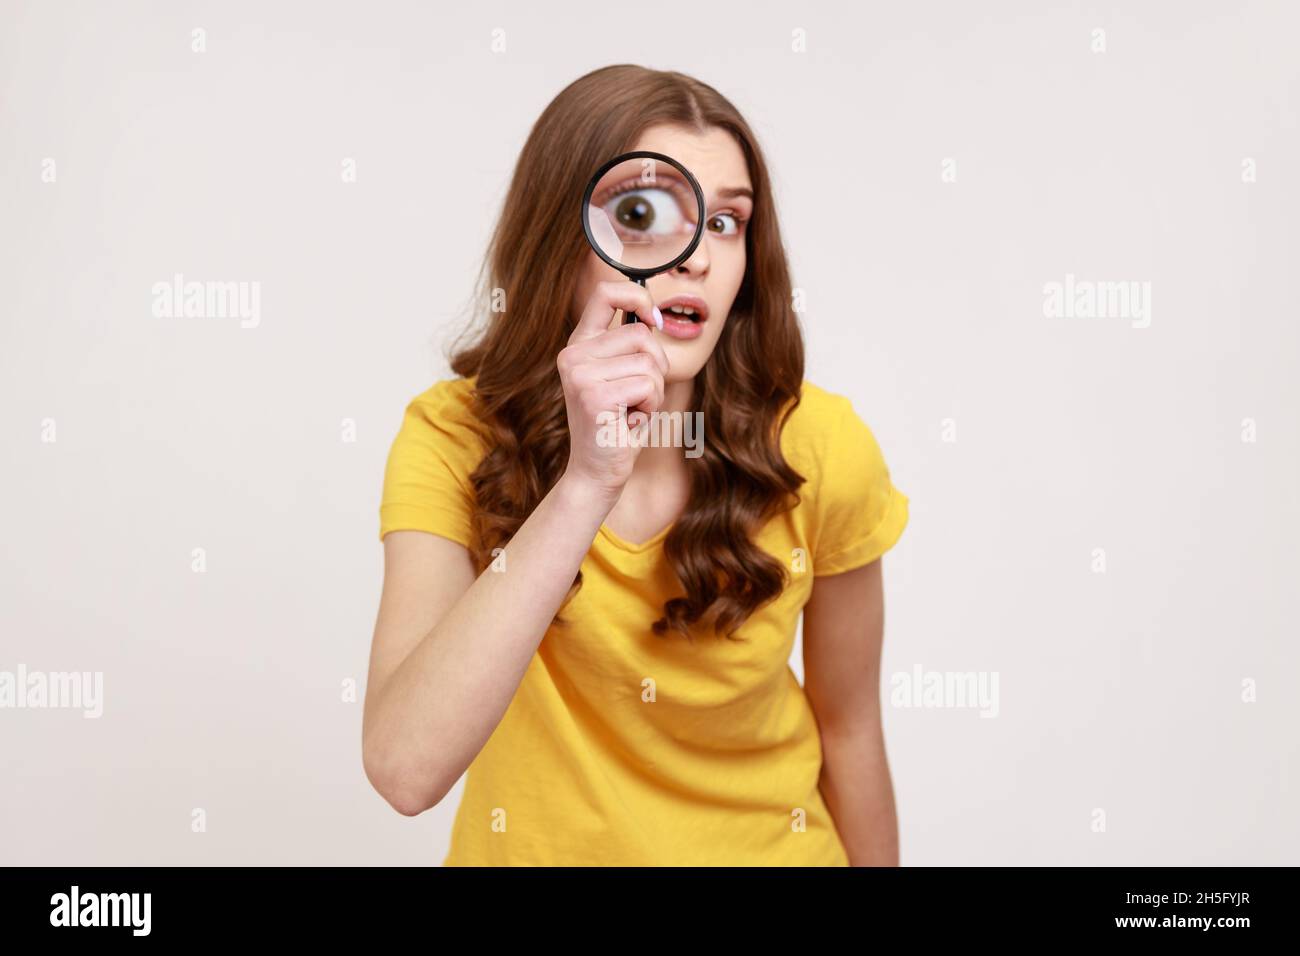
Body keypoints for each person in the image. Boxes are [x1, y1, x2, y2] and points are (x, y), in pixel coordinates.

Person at [361, 64, 910, 866]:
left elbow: (851, 726)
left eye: (727, 223)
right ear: (563, 239)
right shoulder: (453, 437)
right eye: (645, 213)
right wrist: (587, 481)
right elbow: (405, 768)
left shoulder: (819, 446)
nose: (697, 259)